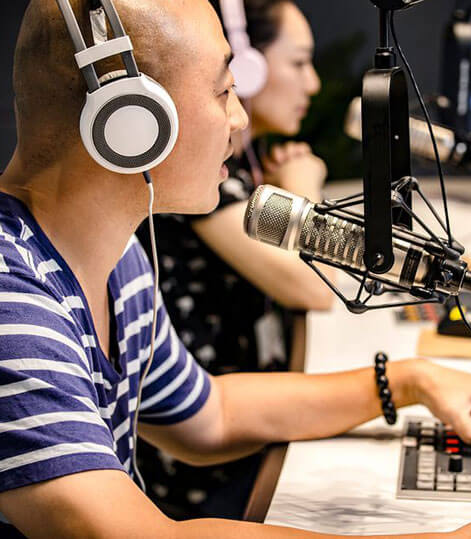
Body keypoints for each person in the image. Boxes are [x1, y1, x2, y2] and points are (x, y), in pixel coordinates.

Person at [0, 1, 471, 538]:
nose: (239, 116)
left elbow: (211, 418)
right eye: (223, 91)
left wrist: (410, 380)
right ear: (130, 123)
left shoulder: (117, 257)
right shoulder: (12, 299)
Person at [136, 0, 335, 519]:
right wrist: (304, 192)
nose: (313, 83)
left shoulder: (237, 176)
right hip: (200, 474)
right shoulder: (199, 189)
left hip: (230, 428)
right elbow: (317, 287)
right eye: (299, 62)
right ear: (248, 67)